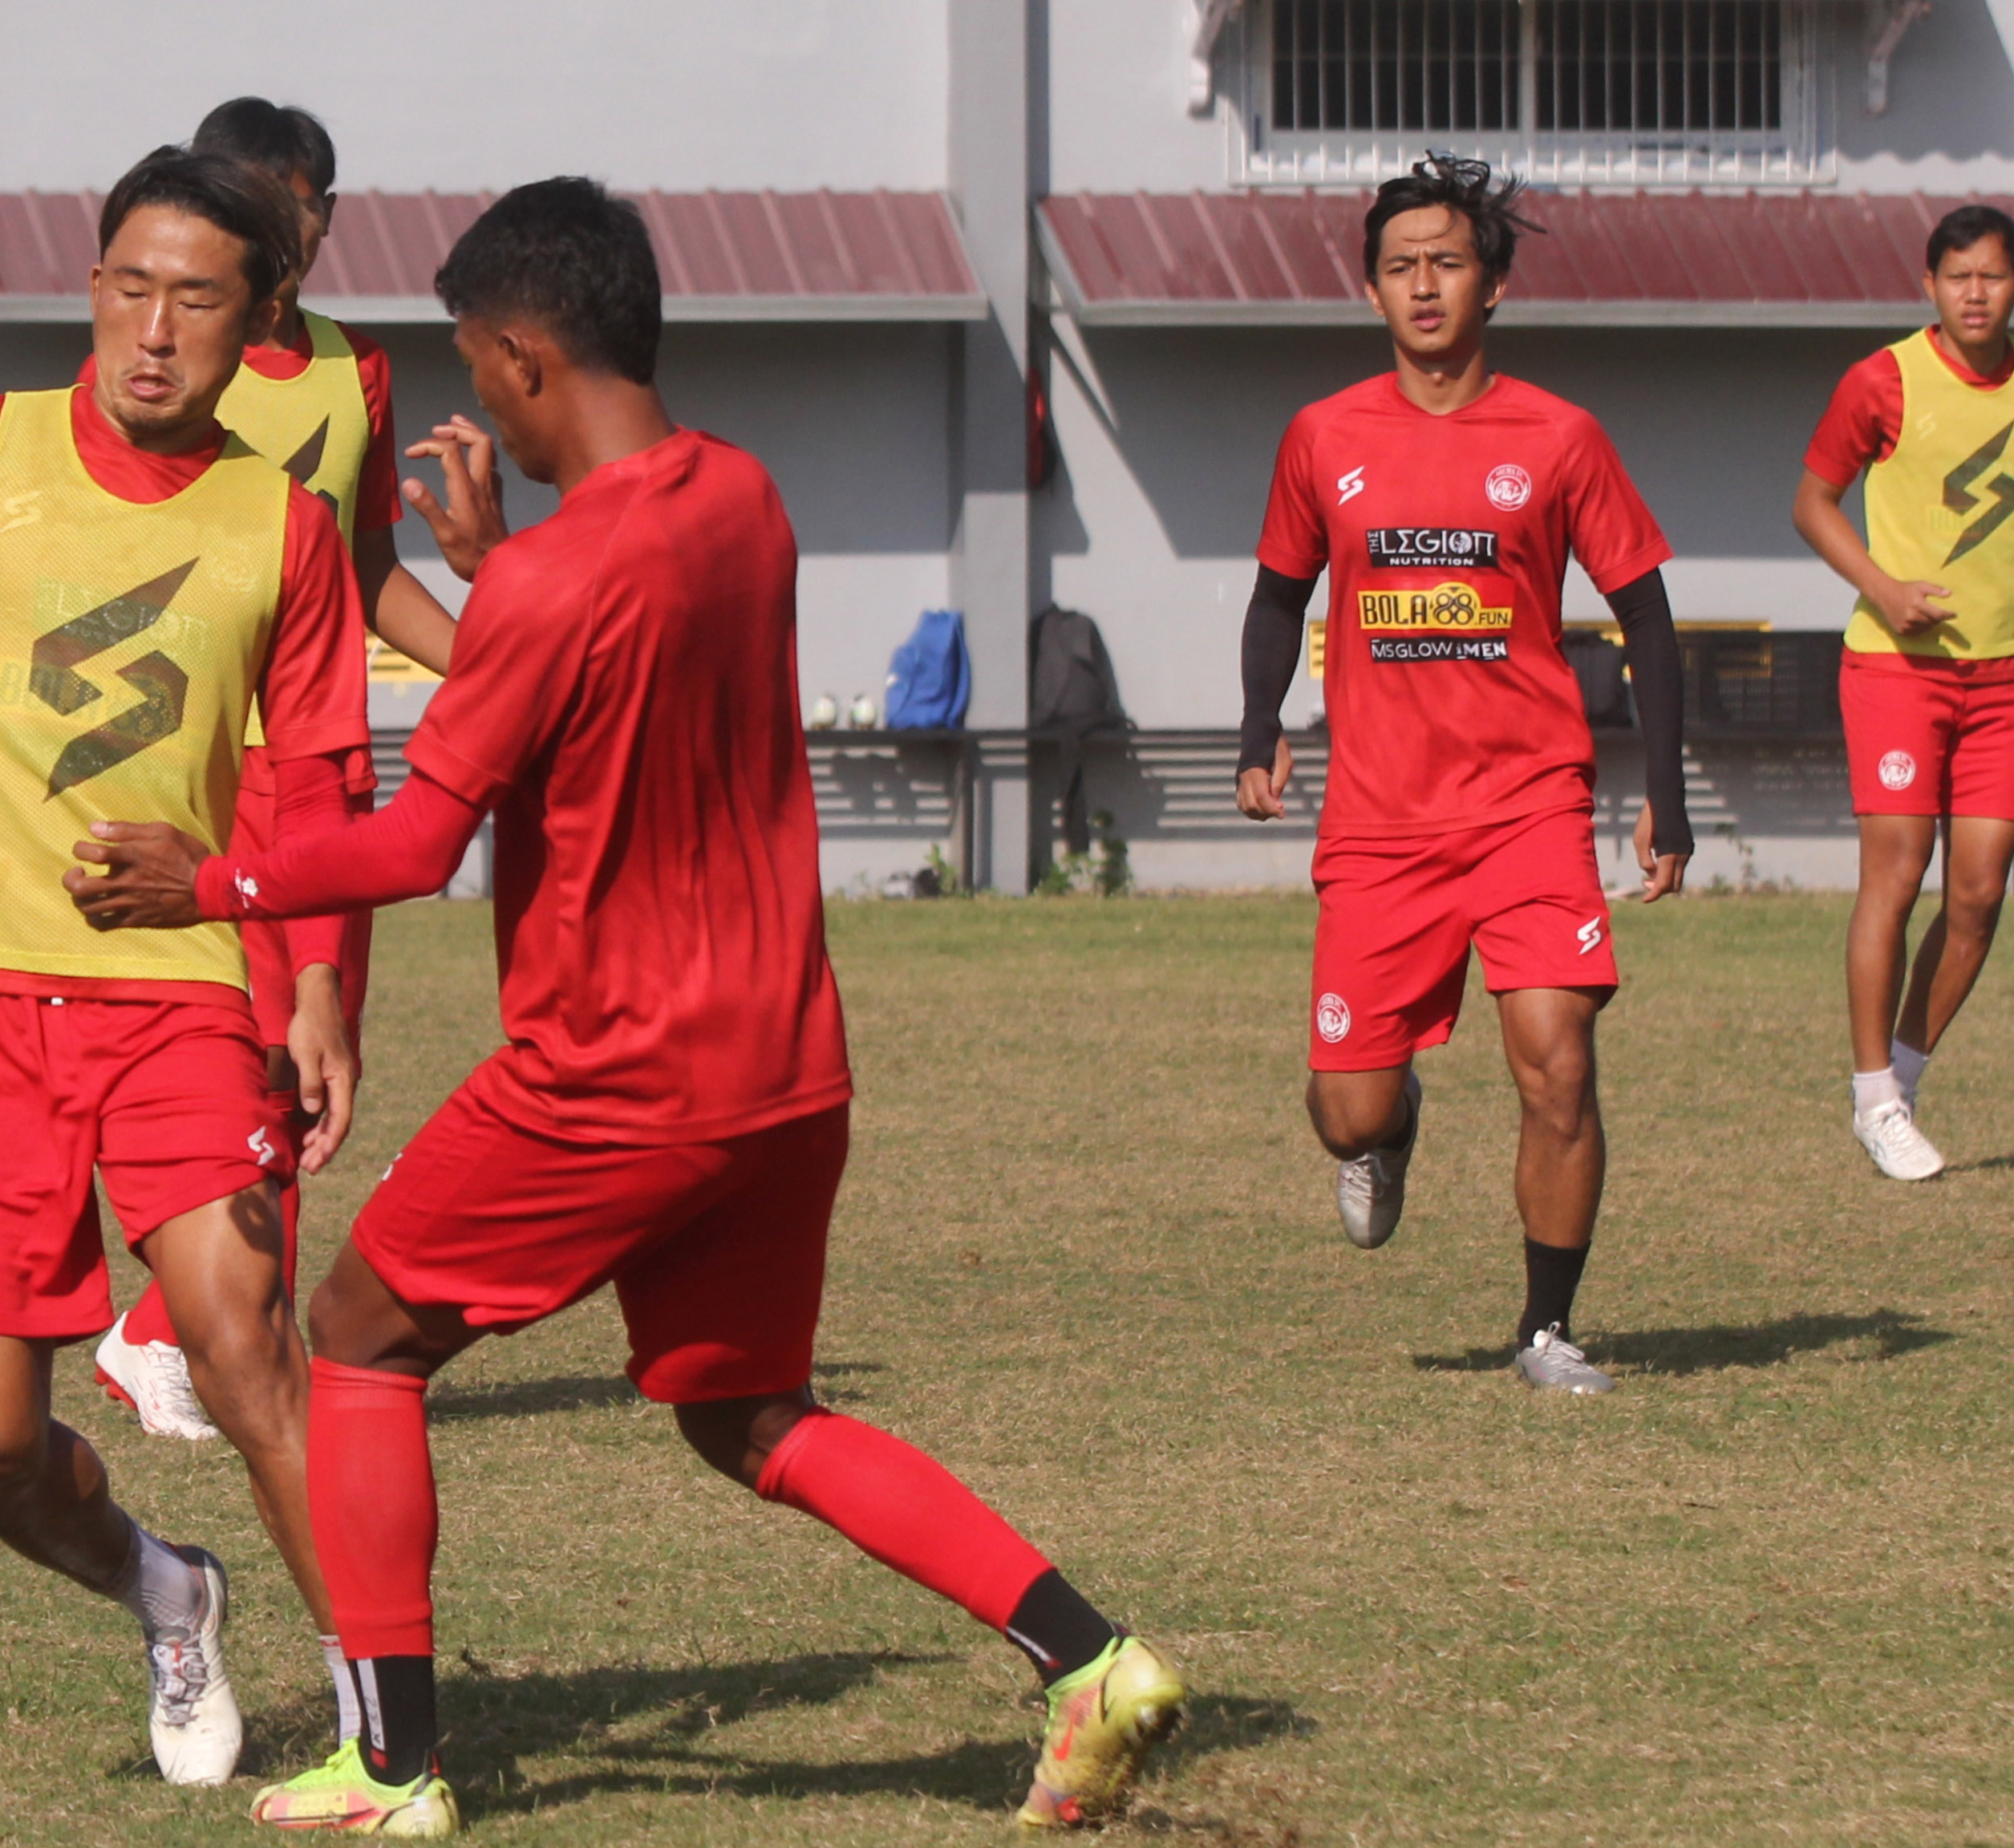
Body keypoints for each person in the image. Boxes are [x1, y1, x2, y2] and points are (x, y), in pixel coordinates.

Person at [66, 176, 1189, 1835]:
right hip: (786, 1070)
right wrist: (496, 569)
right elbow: (616, 668)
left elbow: (416, 840)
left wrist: (212, 879)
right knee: (751, 1416)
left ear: (524, 355)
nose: (478, 399)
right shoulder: (745, 498)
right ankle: (1090, 1662)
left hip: (615, 1074)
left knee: (359, 1345)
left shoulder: (547, 586)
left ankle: (393, 1768)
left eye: (477, 363)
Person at [0, 147, 370, 1785]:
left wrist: (315, 983)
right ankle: (167, 1590)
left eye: (196, 296)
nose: (153, 329)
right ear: (91, 285)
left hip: (177, 995)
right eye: (128, 284)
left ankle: (386, 1715)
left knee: (241, 1337)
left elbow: (319, 786)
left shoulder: (282, 524)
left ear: (258, 320)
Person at [88, 98, 509, 1453]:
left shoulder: (355, 371)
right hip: (201, 761)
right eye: (277, 194)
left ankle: (187, 1330)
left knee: (314, 1062)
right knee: (235, 1055)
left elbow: (372, 572)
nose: (304, 220)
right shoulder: (152, 360)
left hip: (318, 762)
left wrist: (503, 666)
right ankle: (162, 1333)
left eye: (318, 197)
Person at [1233, 155, 1692, 1396]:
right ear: (1372, 293)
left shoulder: (1559, 437)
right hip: (1383, 823)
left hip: (1531, 804)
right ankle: (1392, 1125)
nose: (1423, 284)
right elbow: (1280, 595)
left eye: (1446, 260)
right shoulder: (1324, 437)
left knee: (1559, 1059)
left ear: (1493, 279)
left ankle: (1546, 1329)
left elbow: (1646, 614)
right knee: (1348, 1110)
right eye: (1400, 267)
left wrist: (1668, 793)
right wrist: (1257, 724)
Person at [1793, 203, 2014, 1182]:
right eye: (1957, 275)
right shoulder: (1882, 379)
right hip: (1894, 668)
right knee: (1898, 867)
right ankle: (1870, 1090)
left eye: (1994, 277)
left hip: (2002, 673)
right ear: (1929, 285)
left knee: (1979, 892)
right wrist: (1881, 586)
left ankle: (1905, 1081)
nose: (1975, 293)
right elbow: (1811, 503)